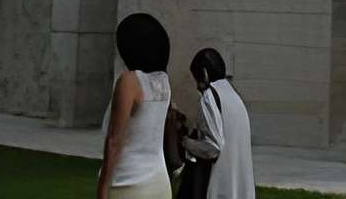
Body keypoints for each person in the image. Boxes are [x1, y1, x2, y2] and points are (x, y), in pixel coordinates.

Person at [97, 14, 174, 199]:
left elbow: (114, 141)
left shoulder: (129, 81)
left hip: (128, 183)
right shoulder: (163, 81)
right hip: (159, 182)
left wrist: (102, 189)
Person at [179, 47, 254, 199]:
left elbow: (213, 148)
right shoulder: (233, 95)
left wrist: (186, 143)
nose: (197, 86)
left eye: (196, 78)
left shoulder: (210, 95)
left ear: (204, 73)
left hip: (219, 187)